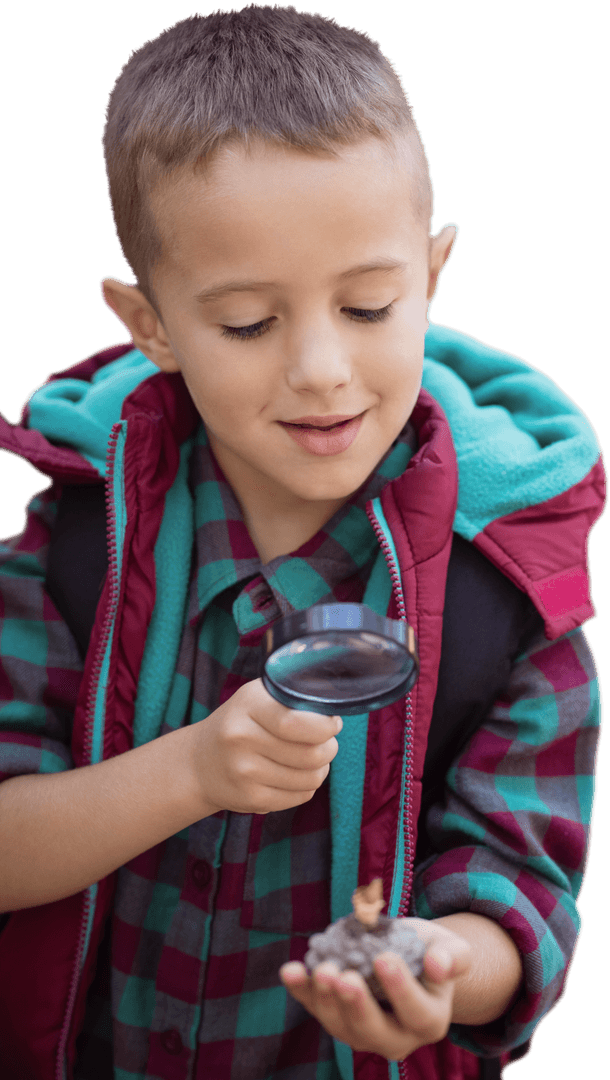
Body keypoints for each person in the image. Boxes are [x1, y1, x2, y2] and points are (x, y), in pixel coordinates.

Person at [0, 6, 604, 1080]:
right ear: (150, 328)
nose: (321, 367)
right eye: (245, 323)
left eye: (368, 305)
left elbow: (524, 900)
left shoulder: (504, 593)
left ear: (429, 276)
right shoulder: (73, 546)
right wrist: (187, 771)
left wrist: (431, 970)